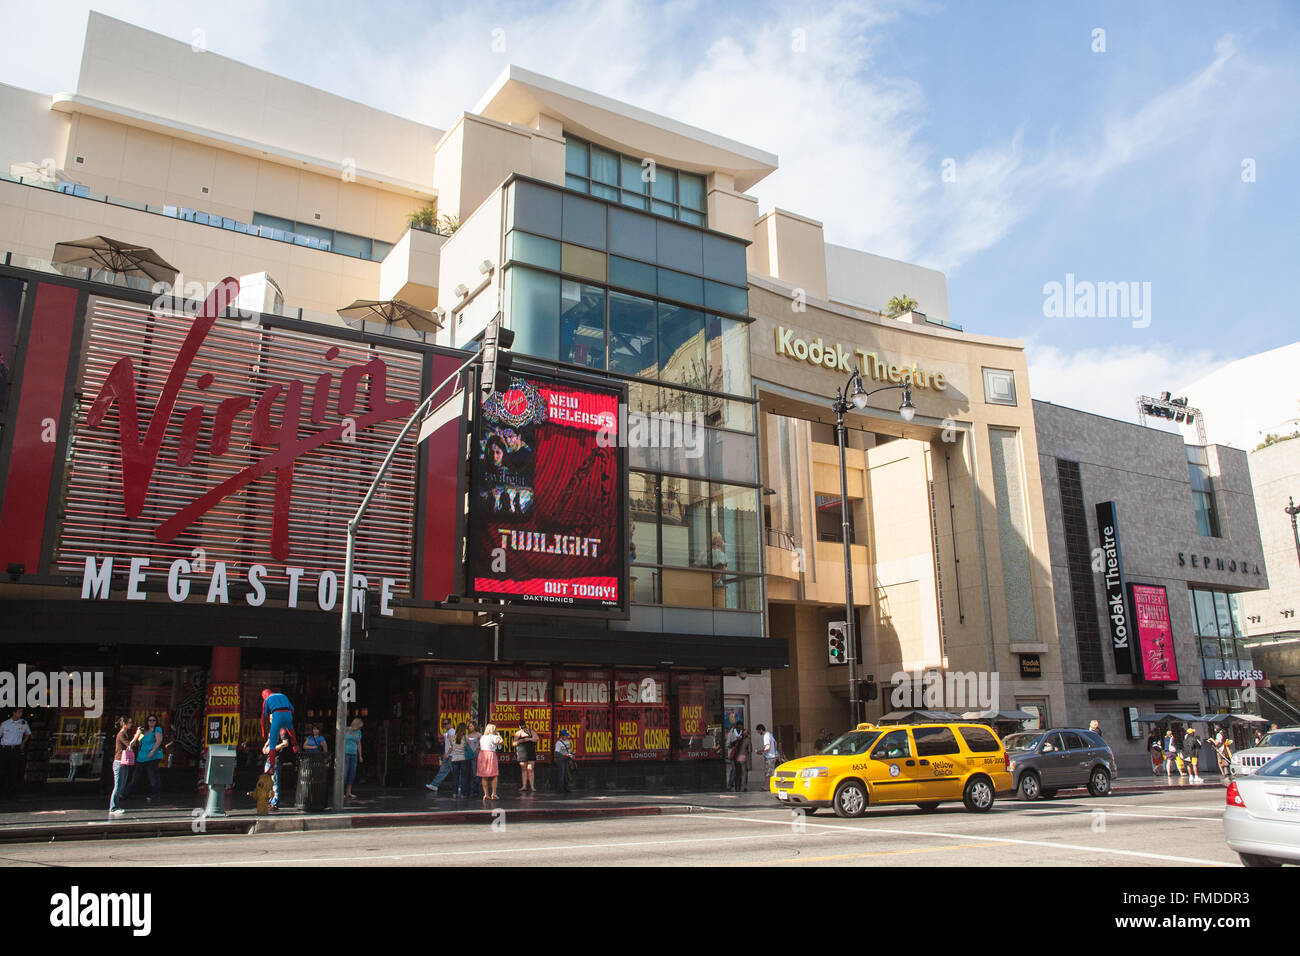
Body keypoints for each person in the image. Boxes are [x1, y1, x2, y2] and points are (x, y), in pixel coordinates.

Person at [126, 714, 164, 803]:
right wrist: (136, 735)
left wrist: (152, 751)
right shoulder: (143, 731)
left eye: (153, 720)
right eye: (150, 720)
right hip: (141, 757)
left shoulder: (157, 729)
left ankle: (155, 795)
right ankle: (126, 794)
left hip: (152, 757)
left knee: (153, 778)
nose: (151, 722)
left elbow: (159, 741)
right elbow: (135, 741)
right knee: (135, 778)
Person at [260, 688, 297, 773]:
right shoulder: (282, 695)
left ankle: (272, 767)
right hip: (287, 714)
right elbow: (292, 709)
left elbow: (263, 717)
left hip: (278, 715)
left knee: (272, 745)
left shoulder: (267, 700)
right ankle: (295, 746)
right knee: (291, 730)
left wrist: (263, 731)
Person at [0, 708, 31, 800]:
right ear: (14, 713)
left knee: (14, 771)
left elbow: (28, 734)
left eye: (21, 712)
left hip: (16, 749)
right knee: (3, 771)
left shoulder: (23, 723)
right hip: (5, 749)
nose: (21, 714)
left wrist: (23, 743)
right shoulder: (5, 724)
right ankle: (2, 793)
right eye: (19, 712)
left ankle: (12, 794)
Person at [109, 716, 135, 817]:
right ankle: (113, 807)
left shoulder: (124, 734)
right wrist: (137, 735)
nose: (131, 724)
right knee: (118, 785)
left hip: (123, 762)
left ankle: (116, 806)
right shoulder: (121, 734)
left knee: (122, 785)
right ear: (124, 723)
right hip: (119, 762)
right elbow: (130, 745)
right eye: (130, 722)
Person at [263, 728, 293, 809]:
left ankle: (274, 802)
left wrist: (272, 748)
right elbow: (268, 741)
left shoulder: (282, 731)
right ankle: (270, 800)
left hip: (276, 760)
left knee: (274, 781)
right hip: (269, 759)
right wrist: (265, 747)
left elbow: (285, 743)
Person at [425, 718, 456, 794]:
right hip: (447, 755)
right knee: (443, 770)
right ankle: (434, 785)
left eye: (446, 724)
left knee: (454, 771)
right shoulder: (446, 732)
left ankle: (459, 786)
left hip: (451, 755)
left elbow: (453, 745)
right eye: (443, 724)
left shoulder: (452, 732)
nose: (444, 725)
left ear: (450, 724)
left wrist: (448, 753)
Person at [477, 723, 503, 800]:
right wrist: (499, 735)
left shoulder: (483, 737)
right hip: (490, 755)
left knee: (484, 776)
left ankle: (485, 794)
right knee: (494, 775)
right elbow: (501, 742)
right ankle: (494, 794)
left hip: (482, 755)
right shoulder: (494, 737)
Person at [514, 721, 539, 793]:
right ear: (520, 727)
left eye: (524, 727)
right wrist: (521, 740)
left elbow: (536, 738)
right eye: (522, 727)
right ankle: (524, 786)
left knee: (530, 769)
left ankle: (532, 786)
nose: (523, 729)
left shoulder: (531, 731)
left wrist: (529, 739)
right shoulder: (518, 733)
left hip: (531, 751)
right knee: (524, 769)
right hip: (522, 752)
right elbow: (514, 743)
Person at [727, 722, 751, 792]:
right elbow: (728, 744)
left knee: (738, 771)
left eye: (741, 726)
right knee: (735, 771)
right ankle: (732, 785)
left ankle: (738, 786)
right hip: (734, 755)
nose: (740, 727)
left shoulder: (742, 734)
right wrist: (734, 743)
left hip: (738, 756)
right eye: (739, 726)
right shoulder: (731, 734)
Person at [343, 718, 363, 800]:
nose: (359, 728)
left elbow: (359, 743)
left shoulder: (358, 732)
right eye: (359, 726)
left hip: (354, 753)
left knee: (352, 772)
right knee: (345, 772)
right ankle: (341, 792)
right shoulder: (346, 729)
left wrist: (360, 755)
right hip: (345, 753)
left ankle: (349, 792)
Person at [450, 722, 470, 797]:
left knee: (455, 776)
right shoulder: (465, 737)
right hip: (463, 758)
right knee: (463, 776)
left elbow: (452, 746)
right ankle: (463, 793)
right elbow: (469, 746)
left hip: (454, 759)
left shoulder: (452, 737)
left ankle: (454, 793)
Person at [554, 729, 575, 793]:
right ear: (562, 736)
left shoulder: (567, 741)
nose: (567, 737)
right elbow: (557, 753)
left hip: (567, 759)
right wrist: (565, 754)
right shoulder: (558, 743)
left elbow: (569, 750)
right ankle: (560, 789)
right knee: (561, 774)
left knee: (567, 774)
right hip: (561, 760)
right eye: (566, 736)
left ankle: (566, 788)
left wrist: (571, 753)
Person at [466, 721, 482, 797]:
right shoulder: (467, 735)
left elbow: (483, 741)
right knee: (468, 772)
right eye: (469, 726)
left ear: (475, 727)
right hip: (468, 755)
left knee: (475, 772)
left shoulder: (478, 734)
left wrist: (479, 747)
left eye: (472, 726)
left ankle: (476, 790)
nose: (470, 727)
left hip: (475, 754)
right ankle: (468, 789)